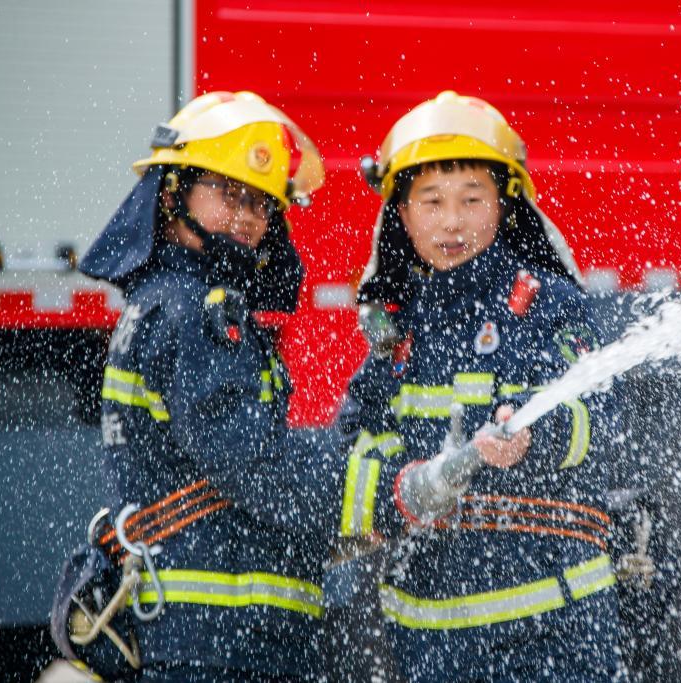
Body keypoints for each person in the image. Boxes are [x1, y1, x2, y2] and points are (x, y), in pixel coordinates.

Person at [338, 91, 628, 681]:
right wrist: (404, 481)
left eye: (472, 199)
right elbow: (355, 436)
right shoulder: (399, 332)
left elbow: (603, 416)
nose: (452, 221)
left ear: (503, 205)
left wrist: (534, 433)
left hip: (553, 635)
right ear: (401, 214)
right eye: (431, 201)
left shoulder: (545, 304)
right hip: (431, 645)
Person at [71, 90, 329, 682]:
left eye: (261, 204)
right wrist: (384, 490)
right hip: (220, 637)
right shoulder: (196, 312)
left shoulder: (167, 299)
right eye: (228, 194)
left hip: (201, 632)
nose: (247, 217)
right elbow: (254, 466)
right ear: (173, 195)